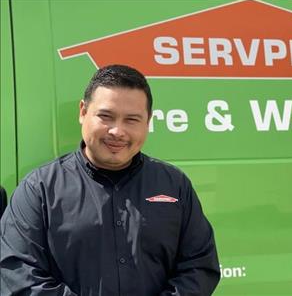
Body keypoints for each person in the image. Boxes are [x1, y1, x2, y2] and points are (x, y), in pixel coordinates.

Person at [0, 65, 220, 296]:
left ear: (148, 122)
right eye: (106, 116)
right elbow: (17, 272)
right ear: (83, 112)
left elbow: (199, 266)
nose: (117, 131)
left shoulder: (174, 185)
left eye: (132, 120)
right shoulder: (39, 189)